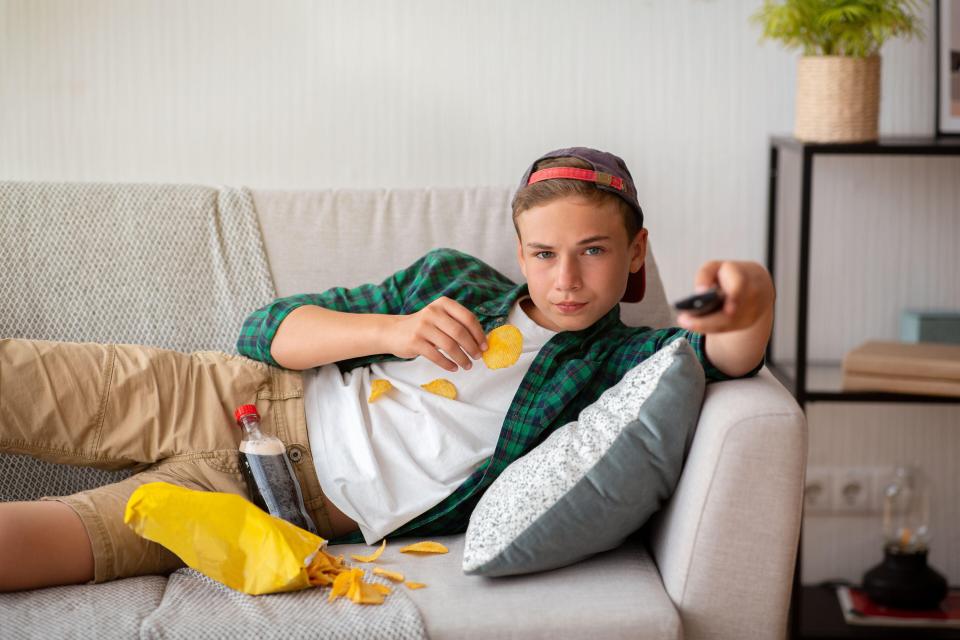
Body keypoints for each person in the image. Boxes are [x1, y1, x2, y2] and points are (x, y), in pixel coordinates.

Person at [0, 146, 774, 592]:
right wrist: (396, 330)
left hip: (265, 509)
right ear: (520, 255)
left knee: (36, 547)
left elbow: (725, 355)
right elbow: (264, 330)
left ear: (636, 252)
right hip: (234, 396)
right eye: (544, 255)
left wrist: (749, 293)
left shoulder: (619, 365)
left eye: (593, 252)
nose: (565, 280)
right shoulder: (454, 282)